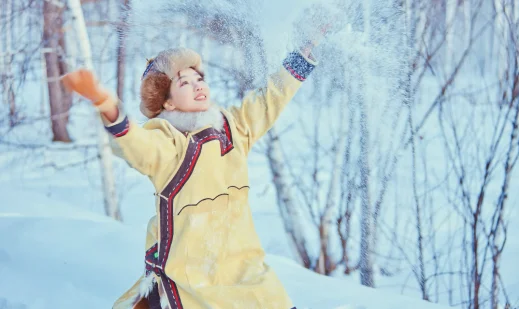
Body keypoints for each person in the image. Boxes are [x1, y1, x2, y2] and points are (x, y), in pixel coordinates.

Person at [62, 5, 342, 309]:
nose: (197, 85)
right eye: (184, 83)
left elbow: (272, 97)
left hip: (244, 268)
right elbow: (135, 143)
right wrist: (105, 103)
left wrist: (308, 45)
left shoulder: (234, 126)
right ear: (167, 103)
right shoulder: (169, 145)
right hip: (189, 276)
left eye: (199, 78)